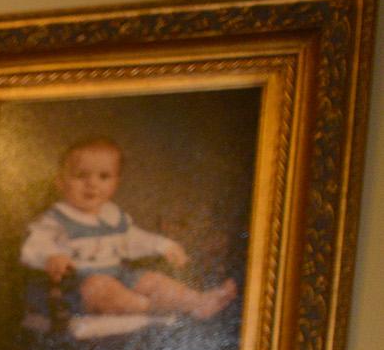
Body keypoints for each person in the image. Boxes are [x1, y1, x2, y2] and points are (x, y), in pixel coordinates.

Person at [20, 137, 238, 321]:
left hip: (117, 275)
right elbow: (35, 243)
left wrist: (163, 245)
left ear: (116, 182)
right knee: (100, 286)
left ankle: (198, 302)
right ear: (60, 182)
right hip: (73, 288)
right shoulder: (56, 219)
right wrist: (51, 256)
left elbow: (134, 239)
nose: (92, 184)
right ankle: (153, 309)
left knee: (152, 279)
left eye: (103, 177)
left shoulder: (113, 216)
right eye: (81, 176)